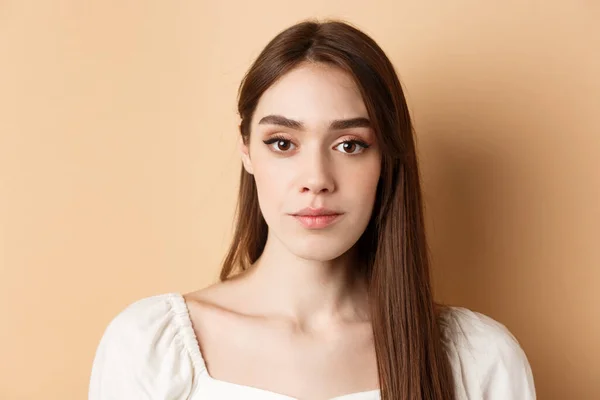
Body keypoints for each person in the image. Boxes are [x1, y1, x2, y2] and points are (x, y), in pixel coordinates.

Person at [88, 19, 536, 400]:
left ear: (386, 159)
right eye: (283, 143)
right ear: (246, 149)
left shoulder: (478, 359)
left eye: (350, 144)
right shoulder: (149, 346)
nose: (317, 178)